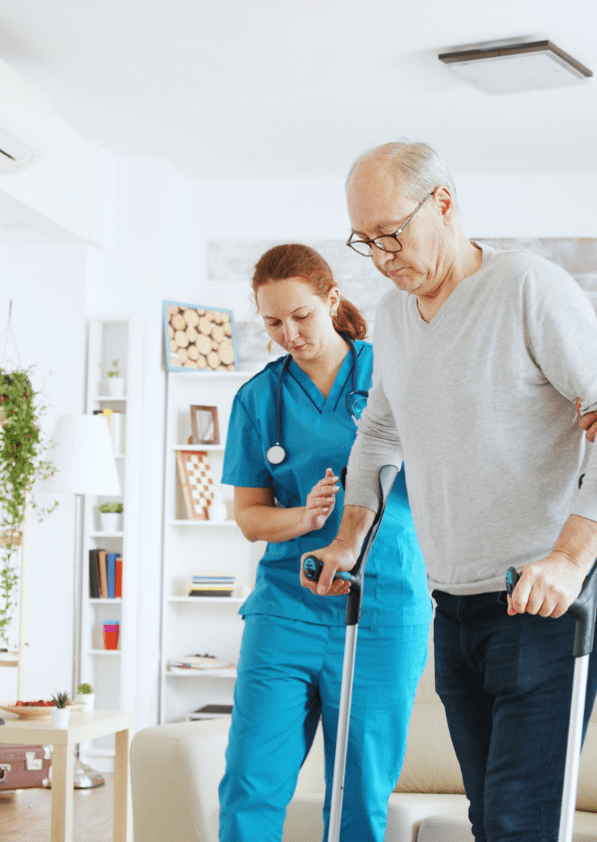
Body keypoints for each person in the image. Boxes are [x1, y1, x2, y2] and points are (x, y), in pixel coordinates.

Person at [303, 141, 597, 841]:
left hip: (541, 604)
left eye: (391, 235)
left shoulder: (526, 286)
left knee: (520, 825)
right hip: (455, 609)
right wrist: (349, 541)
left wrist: (570, 557)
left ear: (442, 204)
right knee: (489, 820)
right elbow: (378, 433)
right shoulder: (397, 315)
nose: (381, 257)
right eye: (365, 241)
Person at [217, 243, 432, 842]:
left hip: (382, 605)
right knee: (249, 784)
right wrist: (305, 520)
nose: (289, 333)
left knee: (357, 795)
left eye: (301, 316)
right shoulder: (259, 398)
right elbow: (251, 518)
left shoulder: (396, 369)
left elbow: (448, 473)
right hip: (285, 607)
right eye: (273, 322)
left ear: (331, 301)